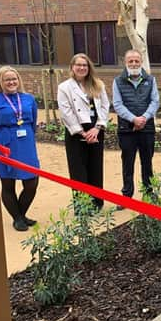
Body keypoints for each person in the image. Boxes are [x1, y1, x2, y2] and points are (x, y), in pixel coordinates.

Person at [58, 53, 110, 210]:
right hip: (76, 132)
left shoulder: (97, 84)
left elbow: (105, 106)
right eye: (78, 65)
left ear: (89, 68)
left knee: (95, 167)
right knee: (78, 170)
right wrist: (82, 132)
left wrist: (97, 128)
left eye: (85, 65)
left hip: (96, 129)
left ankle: (97, 202)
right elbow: (66, 112)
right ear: (72, 67)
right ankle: (82, 207)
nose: (82, 68)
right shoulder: (64, 87)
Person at [0, 66, 40, 231]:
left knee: (32, 182)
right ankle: (18, 218)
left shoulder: (28, 98)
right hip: (5, 143)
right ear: (1, 82)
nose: (11, 82)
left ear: (18, 80)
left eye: (14, 79)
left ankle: (22, 213)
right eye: (7, 79)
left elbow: (33, 121)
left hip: (26, 142)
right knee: (8, 183)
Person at [112, 50, 159, 206]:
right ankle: (126, 195)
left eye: (136, 61)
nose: (133, 64)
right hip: (127, 130)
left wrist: (144, 118)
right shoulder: (117, 81)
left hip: (147, 129)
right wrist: (133, 119)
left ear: (141, 62)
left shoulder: (151, 80)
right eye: (130, 61)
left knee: (147, 163)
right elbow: (117, 105)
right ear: (126, 63)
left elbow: (155, 102)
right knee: (127, 163)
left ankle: (148, 194)